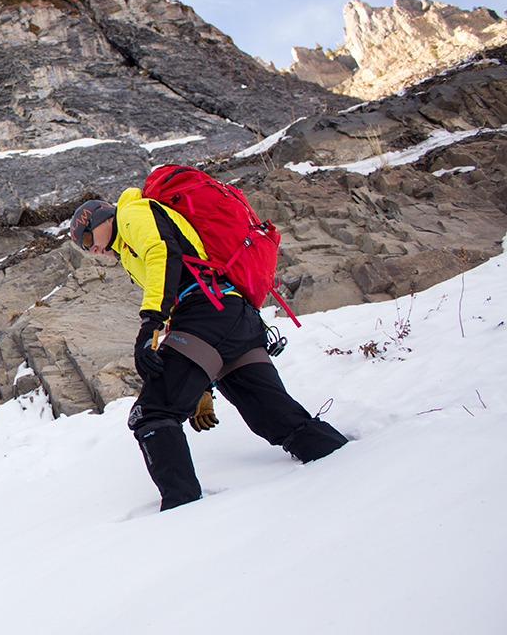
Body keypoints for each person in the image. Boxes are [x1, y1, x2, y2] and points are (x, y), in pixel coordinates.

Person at [70, 190, 347, 511]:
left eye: (88, 236)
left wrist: (150, 326)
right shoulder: (127, 251)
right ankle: (357, 460)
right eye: (84, 248)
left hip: (207, 311)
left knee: (151, 413)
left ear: (105, 216)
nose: (92, 248)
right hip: (233, 316)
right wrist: (201, 383)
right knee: (275, 417)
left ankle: (183, 513)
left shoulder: (133, 213)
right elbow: (175, 286)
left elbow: (164, 255)